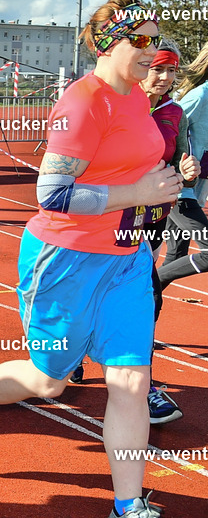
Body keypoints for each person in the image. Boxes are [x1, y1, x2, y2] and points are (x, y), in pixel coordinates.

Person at [0, 0, 188, 518]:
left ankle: (128, 510)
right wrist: (137, 192)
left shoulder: (137, 99)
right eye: (142, 40)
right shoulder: (84, 101)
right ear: (109, 44)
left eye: (156, 39)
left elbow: (134, 166)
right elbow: (52, 193)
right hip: (66, 260)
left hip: (127, 258)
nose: (153, 50)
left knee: (131, 381)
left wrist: (165, 184)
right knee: (50, 381)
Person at [70, 38, 199, 426]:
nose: (165, 77)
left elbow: (178, 162)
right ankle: (74, 349)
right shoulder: (112, 104)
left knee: (144, 299)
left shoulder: (175, 112)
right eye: (157, 68)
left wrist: (187, 171)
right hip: (108, 219)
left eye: (172, 70)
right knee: (96, 295)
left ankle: (143, 386)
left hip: (151, 221)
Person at [159, 40, 208, 294]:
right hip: (180, 192)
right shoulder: (200, 96)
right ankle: (147, 284)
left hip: (195, 190)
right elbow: (170, 128)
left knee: (175, 255)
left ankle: (147, 309)